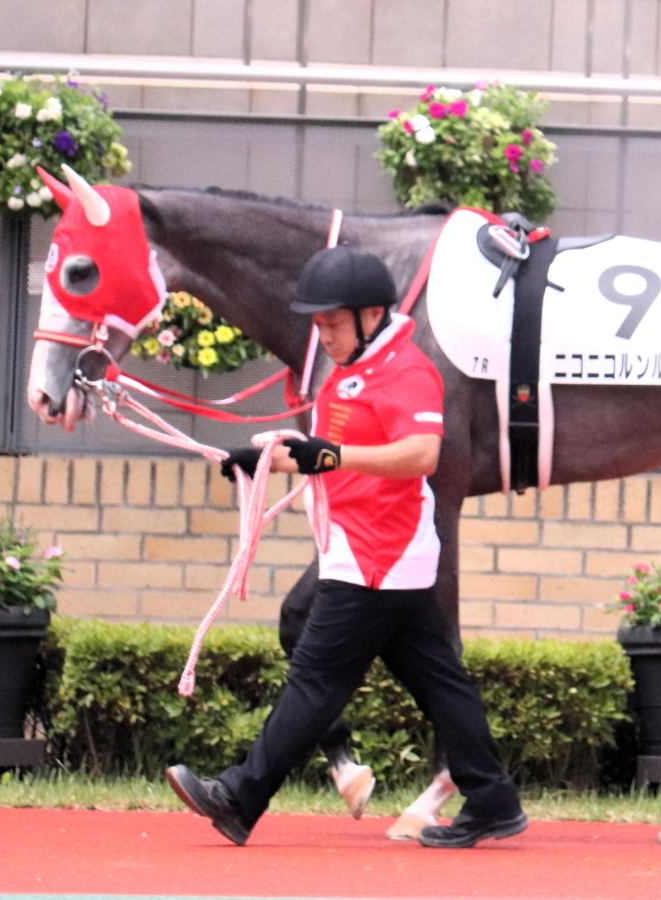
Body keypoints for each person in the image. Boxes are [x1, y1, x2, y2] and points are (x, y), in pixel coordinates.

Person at [166, 245, 526, 849]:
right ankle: (493, 799)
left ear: (371, 316)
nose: (324, 336)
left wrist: (330, 456)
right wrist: (262, 460)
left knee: (315, 681)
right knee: (440, 683)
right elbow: (326, 453)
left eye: (333, 323)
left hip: (377, 555)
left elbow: (421, 454)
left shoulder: (407, 371)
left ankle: (239, 797)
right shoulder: (354, 371)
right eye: (318, 324)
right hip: (374, 554)